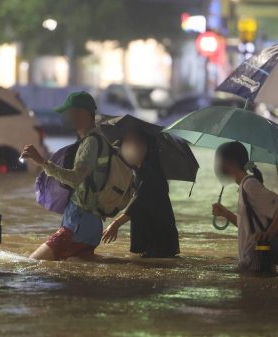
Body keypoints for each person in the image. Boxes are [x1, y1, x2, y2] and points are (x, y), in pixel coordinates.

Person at [22, 91, 108, 261]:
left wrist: (42, 162)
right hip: (87, 224)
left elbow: (76, 178)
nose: (65, 117)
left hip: (78, 225)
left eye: (69, 112)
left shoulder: (91, 142)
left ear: (82, 114)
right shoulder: (93, 139)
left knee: (32, 264)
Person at [211, 142, 278, 272]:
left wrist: (267, 235)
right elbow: (247, 226)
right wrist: (225, 213)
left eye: (220, 161)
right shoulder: (244, 186)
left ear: (230, 162)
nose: (218, 166)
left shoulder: (250, 185)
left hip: (258, 261)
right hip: (251, 261)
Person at [101, 129, 180, 258]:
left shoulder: (151, 173)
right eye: (127, 143)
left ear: (147, 148)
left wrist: (116, 224)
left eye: (136, 144)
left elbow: (138, 202)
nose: (130, 148)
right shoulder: (140, 171)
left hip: (158, 241)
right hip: (155, 239)